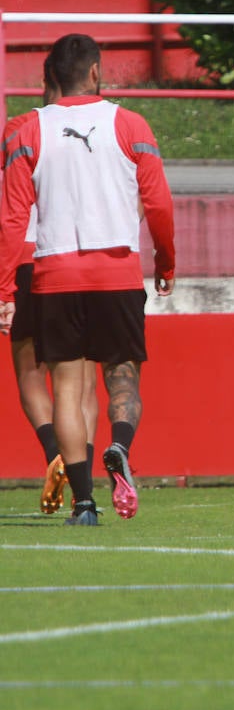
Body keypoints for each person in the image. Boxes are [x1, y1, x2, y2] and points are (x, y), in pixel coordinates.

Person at [0, 33, 176, 526]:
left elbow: (13, 219)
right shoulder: (131, 123)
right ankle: (119, 446)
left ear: (49, 77)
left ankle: (83, 502)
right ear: (96, 72)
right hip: (117, 271)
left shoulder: (25, 130)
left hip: (56, 273)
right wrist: (165, 262)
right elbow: (159, 203)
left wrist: (3, 288)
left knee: (67, 389)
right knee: (121, 376)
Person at [1, 66, 101, 515]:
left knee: (29, 370)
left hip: (23, 256)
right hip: (73, 260)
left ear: (45, 84)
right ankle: (83, 477)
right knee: (81, 382)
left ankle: (53, 452)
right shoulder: (101, 128)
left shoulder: (18, 129)